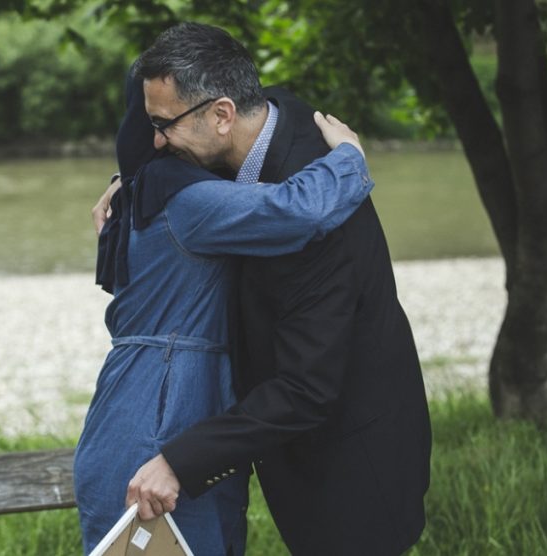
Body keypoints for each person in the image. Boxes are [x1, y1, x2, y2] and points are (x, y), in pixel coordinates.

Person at [98, 23, 432, 555]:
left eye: (163, 125)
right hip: (288, 442)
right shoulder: (240, 136)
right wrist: (127, 187)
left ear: (222, 114)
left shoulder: (316, 203)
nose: (156, 141)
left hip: (351, 458)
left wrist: (180, 462)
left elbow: (307, 388)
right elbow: (154, 159)